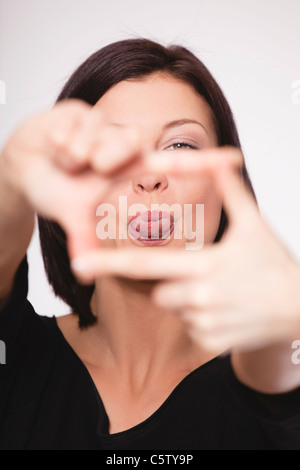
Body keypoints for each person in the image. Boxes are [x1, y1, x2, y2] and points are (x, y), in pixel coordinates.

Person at [0, 38, 299, 450]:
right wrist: (10, 184)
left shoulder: (270, 375)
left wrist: (288, 339)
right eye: (112, 151)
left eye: (180, 145)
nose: (149, 176)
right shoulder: (14, 354)